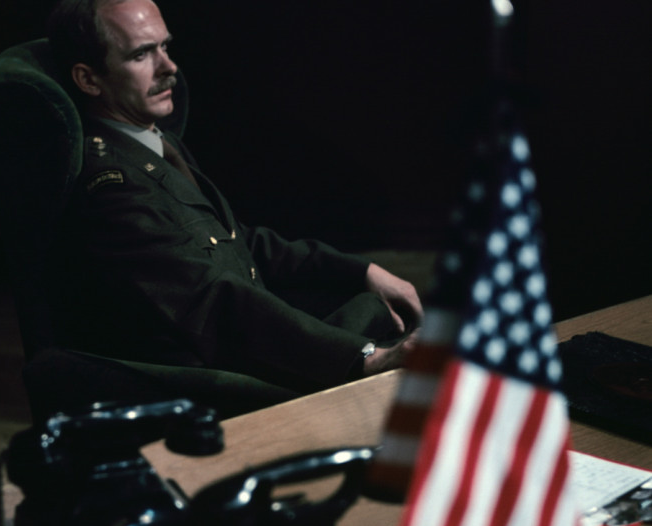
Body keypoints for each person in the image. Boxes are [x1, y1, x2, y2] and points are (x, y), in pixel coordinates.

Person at [45, 0, 423, 396]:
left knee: (377, 305)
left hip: (242, 333)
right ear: (89, 80)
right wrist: (364, 358)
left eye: (165, 47)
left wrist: (362, 271)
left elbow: (239, 242)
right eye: (141, 54)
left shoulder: (152, 143)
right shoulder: (113, 185)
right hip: (209, 376)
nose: (169, 67)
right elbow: (212, 301)